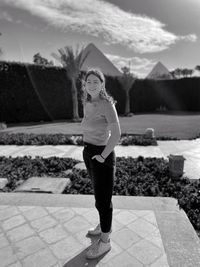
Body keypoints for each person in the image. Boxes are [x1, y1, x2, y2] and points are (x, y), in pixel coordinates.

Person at [81, 68, 121, 259]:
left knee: (103, 200)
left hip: (102, 156)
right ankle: (104, 226)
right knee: (100, 196)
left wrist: (103, 156)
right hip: (89, 153)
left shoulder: (107, 104)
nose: (92, 85)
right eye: (89, 81)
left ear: (102, 84)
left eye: (96, 81)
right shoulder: (87, 102)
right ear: (85, 84)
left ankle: (105, 242)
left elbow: (117, 134)